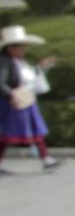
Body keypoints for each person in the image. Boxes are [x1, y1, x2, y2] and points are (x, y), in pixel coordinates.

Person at [1, 24, 59, 173]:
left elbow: (28, 77)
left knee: (36, 129)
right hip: (13, 102)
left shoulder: (21, 62)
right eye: (21, 47)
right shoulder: (5, 63)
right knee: (6, 134)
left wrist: (40, 68)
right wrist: (11, 95)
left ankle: (46, 158)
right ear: (10, 48)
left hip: (26, 99)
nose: (24, 50)